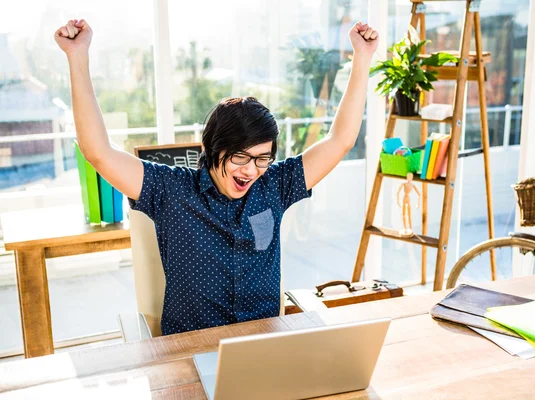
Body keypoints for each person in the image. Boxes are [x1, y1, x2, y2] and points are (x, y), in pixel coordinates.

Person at [54, 19, 379, 335]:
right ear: (213, 149)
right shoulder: (171, 190)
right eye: (240, 157)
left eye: (262, 158)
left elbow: (341, 140)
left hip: (262, 342)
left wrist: (362, 58)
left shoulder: (275, 185)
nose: (251, 170)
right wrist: (77, 56)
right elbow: (98, 151)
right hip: (191, 349)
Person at [396, 172, 420, 237]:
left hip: (408, 199)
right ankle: (405, 228)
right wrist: (397, 201)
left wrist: (418, 204)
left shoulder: (412, 185)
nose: (409, 178)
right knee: (404, 214)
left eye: (410, 177)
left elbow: (419, 194)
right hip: (404, 199)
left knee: (409, 215)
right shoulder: (404, 184)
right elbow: (398, 192)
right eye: (408, 177)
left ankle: (410, 228)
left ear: (412, 178)